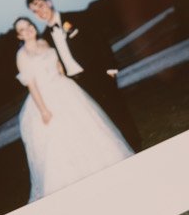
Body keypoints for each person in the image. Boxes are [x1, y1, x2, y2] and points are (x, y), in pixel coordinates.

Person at [14, 17, 134, 203]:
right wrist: (44, 110)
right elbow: (32, 85)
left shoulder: (44, 42)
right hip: (45, 99)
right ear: (19, 35)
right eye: (23, 29)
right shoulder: (22, 55)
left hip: (64, 89)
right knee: (60, 140)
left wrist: (63, 78)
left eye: (29, 25)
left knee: (85, 129)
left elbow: (58, 65)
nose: (28, 29)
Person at [26, 0, 141, 150]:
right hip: (75, 85)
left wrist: (111, 68)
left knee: (117, 110)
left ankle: (136, 146)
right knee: (98, 120)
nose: (39, 11)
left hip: (97, 74)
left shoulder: (77, 18)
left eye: (40, 5)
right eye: (34, 11)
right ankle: (119, 150)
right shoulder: (45, 38)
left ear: (49, 2)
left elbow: (99, 40)